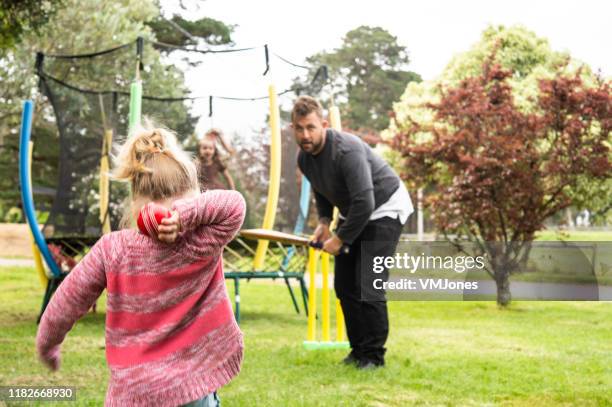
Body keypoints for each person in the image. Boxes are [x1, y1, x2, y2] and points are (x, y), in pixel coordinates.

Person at [36, 123, 246, 406]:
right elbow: (234, 206)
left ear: (136, 204)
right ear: (195, 196)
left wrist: (48, 345)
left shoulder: (113, 249)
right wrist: (186, 215)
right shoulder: (203, 241)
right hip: (192, 388)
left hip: (133, 393)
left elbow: (66, 301)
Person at [292, 96, 413, 369]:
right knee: (345, 285)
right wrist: (324, 223)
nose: (305, 135)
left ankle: (374, 356)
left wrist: (340, 239)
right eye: (299, 129)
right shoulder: (305, 158)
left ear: (323, 124)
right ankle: (357, 351)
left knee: (368, 284)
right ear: (293, 129)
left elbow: (365, 202)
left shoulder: (347, 150)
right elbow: (322, 191)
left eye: (311, 127)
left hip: (385, 208)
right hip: (355, 212)